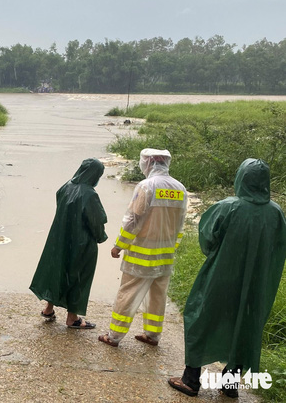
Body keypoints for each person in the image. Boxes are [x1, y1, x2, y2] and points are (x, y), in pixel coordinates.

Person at [169, 158, 286, 399]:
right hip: (257, 283)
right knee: (244, 325)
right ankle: (230, 384)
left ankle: (191, 380)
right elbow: (278, 247)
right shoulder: (276, 213)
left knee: (201, 318)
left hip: (221, 277)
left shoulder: (228, 206)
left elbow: (208, 239)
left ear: (241, 177)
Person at [98, 148, 187, 347]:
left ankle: (113, 336)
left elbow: (133, 220)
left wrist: (119, 245)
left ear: (148, 163)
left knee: (127, 294)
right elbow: (181, 224)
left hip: (141, 254)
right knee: (158, 296)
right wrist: (173, 247)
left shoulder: (147, 186)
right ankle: (153, 336)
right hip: (165, 255)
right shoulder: (180, 188)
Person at [29, 158, 108, 328]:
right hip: (82, 242)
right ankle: (73, 318)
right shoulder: (89, 194)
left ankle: (48, 309)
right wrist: (101, 237)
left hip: (58, 238)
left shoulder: (66, 186)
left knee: (57, 270)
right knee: (79, 276)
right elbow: (96, 221)